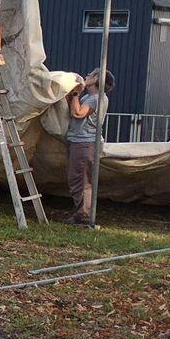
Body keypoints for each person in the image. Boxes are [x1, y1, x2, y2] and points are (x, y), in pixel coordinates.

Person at [64, 68, 113, 226]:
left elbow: (78, 113)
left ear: (97, 80)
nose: (87, 76)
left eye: (91, 75)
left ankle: (84, 216)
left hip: (85, 143)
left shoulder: (95, 99)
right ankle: (81, 213)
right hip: (83, 141)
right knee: (78, 177)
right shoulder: (90, 97)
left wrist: (76, 94)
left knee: (81, 178)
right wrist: (73, 96)